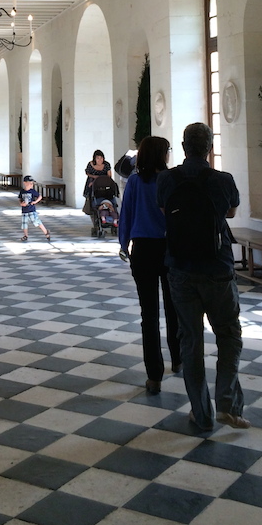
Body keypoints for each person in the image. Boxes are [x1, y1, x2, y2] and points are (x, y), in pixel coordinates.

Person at [157, 122, 248, 431]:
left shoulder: (167, 179)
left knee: (191, 340)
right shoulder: (223, 180)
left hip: (180, 268)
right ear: (209, 147)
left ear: (183, 147)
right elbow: (231, 212)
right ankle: (226, 402)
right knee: (229, 335)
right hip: (217, 268)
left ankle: (201, 412)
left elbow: (163, 210)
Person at [119, 136, 180, 395]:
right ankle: (178, 359)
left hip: (142, 249)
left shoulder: (135, 182)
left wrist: (123, 245)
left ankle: (154, 375)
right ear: (162, 155)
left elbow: (127, 215)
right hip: (168, 249)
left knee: (149, 314)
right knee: (174, 308)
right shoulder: (172, 180)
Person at [83, 149, 113, 234]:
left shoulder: (106, 165)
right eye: (98, 158)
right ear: (95, 159)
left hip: (104, 185)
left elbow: (109, 175)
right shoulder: (90, 164)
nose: (100, 160)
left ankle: (110, 220)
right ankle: (95, 223)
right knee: (92, 204)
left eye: (101, 158)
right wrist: (94, 177)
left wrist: (102, 179)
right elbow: (87, 173)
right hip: (93, 185)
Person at [19, 175, 50, 242]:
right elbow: (20, 199)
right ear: (25, 183)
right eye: (30, 183)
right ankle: (25, 235)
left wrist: (35, 202)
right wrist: (21, 203)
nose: (31, 184)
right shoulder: (22, 191)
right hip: (24, 210)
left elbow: (40, 196)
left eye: (32, 183)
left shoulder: (33, 191)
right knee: (24, 223)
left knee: (37, 221)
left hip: (31, 210)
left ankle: (46, 232)